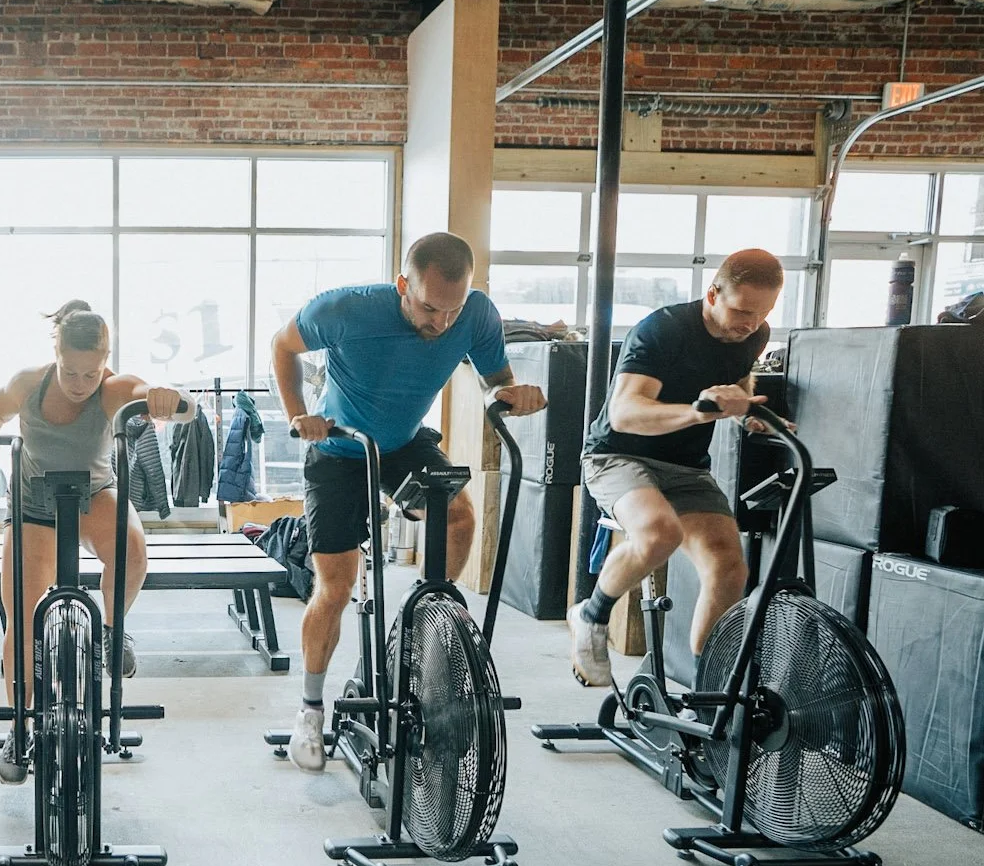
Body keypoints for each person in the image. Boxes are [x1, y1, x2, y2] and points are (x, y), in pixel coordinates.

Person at [272, 231, 547, 773]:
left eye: (453, 309)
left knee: (460, 516)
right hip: (339, 446)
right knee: (336, 586)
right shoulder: (345, 308)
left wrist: (510, 395)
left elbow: (496, 379)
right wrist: (297, 413)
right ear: (403, 285)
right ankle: (309, 710)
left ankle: (425, 632)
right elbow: (283, 346)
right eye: (429, 308)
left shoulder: (477, 314)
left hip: (402, 443)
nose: (442, 322)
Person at [0, 301, 192, 774]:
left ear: (105, 360)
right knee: (21, 623)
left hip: (94, 493)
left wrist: (168, 398)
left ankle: (111, 633)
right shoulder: (30, 382)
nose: (80, 384)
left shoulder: (113, 390)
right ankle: (20, 729)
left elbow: (167, 400)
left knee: (132, 552)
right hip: (33, 505)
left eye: (91, 374)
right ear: (56, 352)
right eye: (71, 371)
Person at [567, 248, 784, 688]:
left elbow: (738, 382)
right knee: (658, 533)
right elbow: (624, 414)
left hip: (686, 467)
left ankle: (710, 693)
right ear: (712, 294)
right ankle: (591, 616)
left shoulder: (755, 333)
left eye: (761, 315)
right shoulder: (662, 330)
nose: (749, 324)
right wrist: (697, 413)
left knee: (729, 566)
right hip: (619, 457)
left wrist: (745, 412)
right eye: (741, 311)